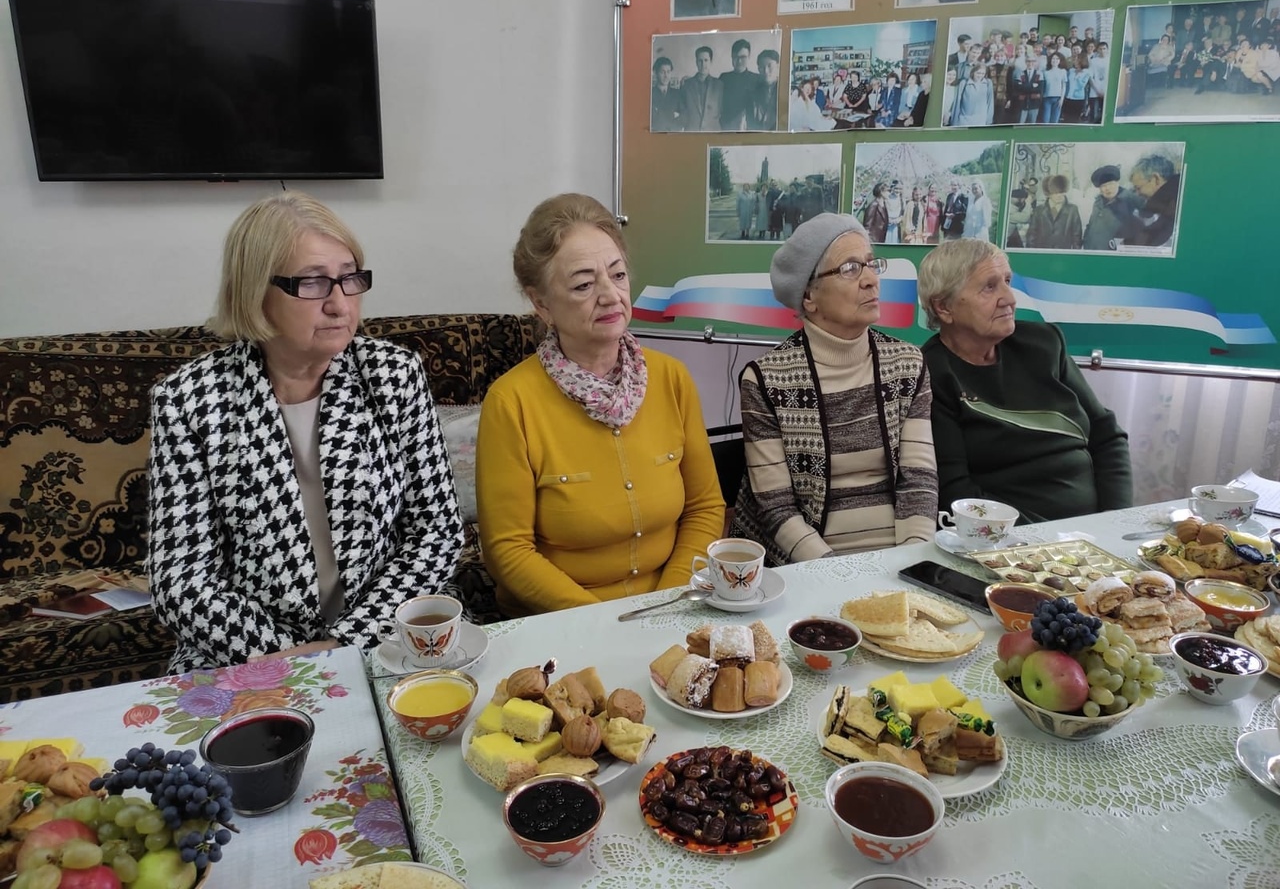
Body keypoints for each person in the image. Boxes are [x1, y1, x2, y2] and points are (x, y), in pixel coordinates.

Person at [148, 192, 463, 671]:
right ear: (255, 292)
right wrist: (285, 660)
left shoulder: (392, 374)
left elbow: (435, 530)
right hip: (245, 652)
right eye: (313, 283)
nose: (340, 305)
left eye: (350, 278)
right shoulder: (188, 400)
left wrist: (347, 644)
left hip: (387, 631)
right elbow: (182, 581)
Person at [476, 194, 724, 616]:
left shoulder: (672, 378)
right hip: (562, 619)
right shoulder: (511, 402)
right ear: (541, 304)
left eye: (618, 275)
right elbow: (508, 551)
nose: (611, 295)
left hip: (672, 604)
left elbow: (705, 507)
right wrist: (603, 622)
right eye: (583, 285)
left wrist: (665, 606)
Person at [732, 214, 937, 565]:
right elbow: (776, 506)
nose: (871, 280)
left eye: (871, 264)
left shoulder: (907, 364)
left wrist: (911, 562)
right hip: (806, 563)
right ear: (809, 296)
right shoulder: (768, 379)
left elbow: (919, 480)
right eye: (850, 268)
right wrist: (837, 574)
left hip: (900, 556)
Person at [917, 240, 1132, 523]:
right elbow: (956, 492)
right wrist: (1046, 538)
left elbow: (1107, 436)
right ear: (944, 307)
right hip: (1014, 538)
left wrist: (1115, 519)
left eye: (1007, 281)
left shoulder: (1044, 344)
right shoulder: (931, 374)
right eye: (989, 287)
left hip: (1094, 529)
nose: (1010, 298)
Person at [1082, 164, 1144, 252]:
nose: (1107, 188)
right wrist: (1086, 241)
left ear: (1117, 183)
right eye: (1103, 186)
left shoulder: (1130, 201)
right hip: (1092, 252)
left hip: (1113, 255)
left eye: (1111, 184)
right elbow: (1091, 225)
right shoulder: (1098, 202)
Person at [1129, 154, 1180, 248]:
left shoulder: (1173, 204)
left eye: (1138, 188)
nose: (1137, 193)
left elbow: (1157, 237)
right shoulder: (1173, 198)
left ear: (1156, 179)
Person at [1026, 174, 1082, 250]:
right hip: (1043, 253)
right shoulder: (1039, 211)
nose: (1059, 195)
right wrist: (1031, 253)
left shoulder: (1072, 210)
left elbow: (1077, 236)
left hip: (1063, 253)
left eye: (1061, 192)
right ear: (1048, 194)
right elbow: (1031, 235)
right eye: (1055, 193)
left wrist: (1075, 254)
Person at [720, 38, 762, 131]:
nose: (739, 61)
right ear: (731, 57)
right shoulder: (724, 78)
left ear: (749, 57)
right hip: (727, 128)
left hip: (750, 129)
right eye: (735, 57)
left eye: (743, 57)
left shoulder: (757, 79)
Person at [681, 45, 723, 131]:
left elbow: (722, 111)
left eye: (706, 60)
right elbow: (682, 110)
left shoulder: (719, 85)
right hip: (692, 132)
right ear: (696, 62)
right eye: (700, 61)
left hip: (713, 132)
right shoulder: (687, 85)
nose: (703, 64)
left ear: (711, 61)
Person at [750, 49, 782, 129]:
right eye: (762, 67)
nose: (766, 71)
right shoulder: (754, 91)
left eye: (769, 66)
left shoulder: (786, 90)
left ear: (778, 66)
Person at [650, 56, 683, 131]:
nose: (666, 76)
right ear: (655, 73)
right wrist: (672, 115)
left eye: (668, 72)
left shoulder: (677, 94)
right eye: (662, 72)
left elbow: (684, 115)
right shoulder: (650, 93)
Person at [1041, 51, 1068, 123]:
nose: (1055, 60)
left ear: (1060, 61)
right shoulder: (1045, 72)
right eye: (1053, 58)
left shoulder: (1063, 71)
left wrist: (1062, 99)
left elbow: (1064, 86)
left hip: (1058, 98)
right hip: (1047, 98)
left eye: (1057, 59)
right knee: (1045, 120)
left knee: (1055, 120)